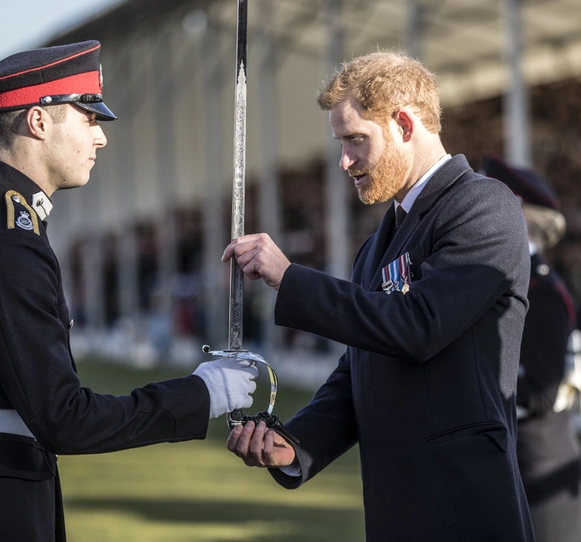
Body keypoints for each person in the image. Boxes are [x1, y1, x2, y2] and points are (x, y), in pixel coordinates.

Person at [0, 40, 257, 542]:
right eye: (88, 119)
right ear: (38, 122)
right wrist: (202, 393)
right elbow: (64, 418)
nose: (100, 139)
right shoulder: (6, 236)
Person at [223, 51, 535, 540]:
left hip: (466, 508)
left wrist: (290, 278)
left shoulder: (485, 205)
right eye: (340, 143)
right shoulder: (374, 248)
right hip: (396, 510)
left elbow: (418, 325)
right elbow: (358, 372)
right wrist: (295, 444)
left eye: (356, 140)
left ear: (405, 125)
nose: (345, 160)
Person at [483, 155, 581, 542]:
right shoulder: (505, 282)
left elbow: (541, 392)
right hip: (509, 464)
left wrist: (469, 388)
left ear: (517, 214)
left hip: (538, 469)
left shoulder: (542, 293)